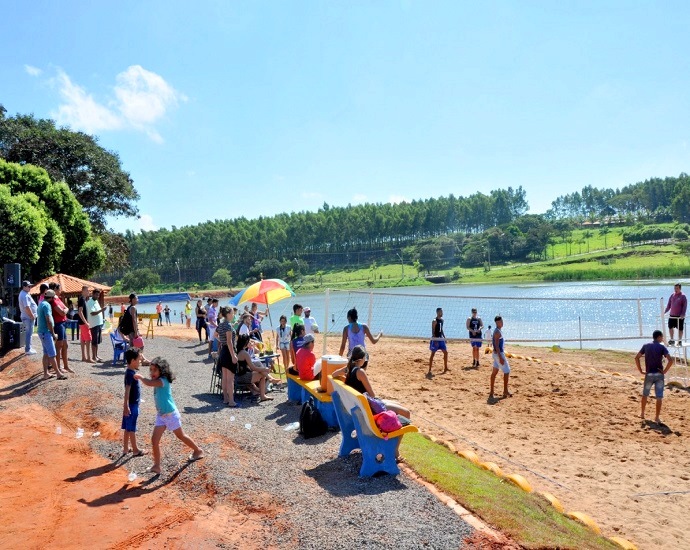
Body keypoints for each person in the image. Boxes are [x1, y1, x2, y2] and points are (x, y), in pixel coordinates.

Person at [134, 357, 204, 474]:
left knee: (181, 436)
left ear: (161, 371)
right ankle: (156, 466)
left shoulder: (162, 381)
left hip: (171, 415)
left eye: (154, 370)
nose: (152, 373)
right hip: (161, 416)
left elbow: (149, 383)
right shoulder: (158, 380)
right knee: (154, 440)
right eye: (150, 370)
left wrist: (141, 377)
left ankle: (198, 450)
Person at [333, 345, 410, 419]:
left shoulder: (348, 369)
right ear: (362, 358)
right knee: (406, 412)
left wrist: (342, 375)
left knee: (398, 404)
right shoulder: (360, 372)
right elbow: (372, 395)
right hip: (369, 408)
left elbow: (333, 374)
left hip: (358, 406)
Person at [635, 330, 674, 424]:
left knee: (645, 394)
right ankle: (656, 417)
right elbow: (670, 360)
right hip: (659, 375)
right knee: (659, 397)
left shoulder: (646, 346)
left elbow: (637, 357)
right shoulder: (661, 347)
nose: (663, 338)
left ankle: (642, 413)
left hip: (649, 374)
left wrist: (640, 370)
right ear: (659, 337)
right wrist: (664, 371)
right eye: (662, 337)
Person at [37, 290, 68, 380]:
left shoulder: (41, 303)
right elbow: (49, 320)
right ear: (51, 298)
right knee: (52, 353)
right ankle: (58, 374)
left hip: (41, 331)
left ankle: (46, 373)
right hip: (46, 332)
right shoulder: (47, 305)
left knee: (46, 353)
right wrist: (53, 333)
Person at [122, 348, 147, 456]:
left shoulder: (130, 372)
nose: (140, 362)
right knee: (132, 428)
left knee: (128, 427)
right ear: (132, 361)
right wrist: (126, 406)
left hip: (131, 405)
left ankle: (126, 449)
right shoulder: (130, 374)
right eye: (138, 360)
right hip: (132, 405)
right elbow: (127, 390)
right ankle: (135, 450)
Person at [234, 334, 273, 402]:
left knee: (260, 371)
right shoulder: (244, 353)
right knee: (262, 375)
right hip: (243, 377)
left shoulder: (237, 351)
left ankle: (262, 391)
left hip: (238, 376)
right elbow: (253, 368)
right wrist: (265, 369)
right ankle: (263, 395)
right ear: (246, 343)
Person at [216, 307, 239, 407]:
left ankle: (225, 398)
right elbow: (230, 342)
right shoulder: (228, 326)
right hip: (229, 352)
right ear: (228, 314)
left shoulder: (221, 324)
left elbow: (215, 334)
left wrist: (222, 340)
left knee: (224, 378)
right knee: (230, 379)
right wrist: (233, 355)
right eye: (232, 313)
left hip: (223, 352)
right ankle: (231, 401)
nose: (233, 315)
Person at [49, 282, 73, 374]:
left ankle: (66, 366)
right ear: (55, 290)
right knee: (59, 346)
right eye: (59, 289)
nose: (60, 291)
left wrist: (65, 310)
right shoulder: (53, 301)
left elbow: (65, 308)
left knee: (65, 345)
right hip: (58, 324)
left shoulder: (57, 299)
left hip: (63, 323)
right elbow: (62, 312)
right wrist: (65, 310)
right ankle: (58, 367)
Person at [490, 315, 511, 400]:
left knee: (494, 372)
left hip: (496, 354)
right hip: (499, 354)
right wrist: (500, 357)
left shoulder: (498, 331)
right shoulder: (497, 332)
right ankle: (505, 391)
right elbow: (497, 346)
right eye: (501, 321)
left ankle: (491, 391)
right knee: (507, 371)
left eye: (502, 321)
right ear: (497, 322)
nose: (502, 322)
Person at [87, 289, 107, 362]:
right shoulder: (89, 302)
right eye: (96, 295)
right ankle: (93, 356)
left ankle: (96, 355)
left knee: (98, 341)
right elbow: (92, 313)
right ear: (93, 294)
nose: (97, 296)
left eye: (98, 295)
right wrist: (102, 310)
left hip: (98, 324)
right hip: (94, 324)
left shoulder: (96, 302)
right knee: (94, 341)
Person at [18, 280, 38, 355]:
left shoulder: (25, 293)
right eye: (28, 286)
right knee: (28, 333)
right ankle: (28, 349)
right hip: (28, 317)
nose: (30, 287)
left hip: (27, 317)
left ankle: (29, 347)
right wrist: (32, 316)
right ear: (24, 287)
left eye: (30, 286)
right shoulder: (24, 295)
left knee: (29, 333)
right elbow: (27, 307)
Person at [428, 307, 448, 376]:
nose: (442, 313)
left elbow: (441, 329)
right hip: (435, 339)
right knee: (432, 354)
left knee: (446, 352)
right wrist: (434, 339)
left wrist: (444, 337)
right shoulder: (434, 321)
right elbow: (433, 330)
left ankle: (446, 368)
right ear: (438, 312)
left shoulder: (442, 320)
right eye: (441, 312)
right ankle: (429, 370)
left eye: (442, 312)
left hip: (441, 338)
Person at [77, 286, 93, 363]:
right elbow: (80, 312)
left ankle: (84, 357)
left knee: (83, 340)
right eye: (87, 290)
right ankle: (88, 358)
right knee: (88, 339)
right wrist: (86, 322)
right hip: (83, 323)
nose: (88, 292)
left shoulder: (83, 299)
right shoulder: (82, 300)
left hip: (82, 323)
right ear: (83, 291)